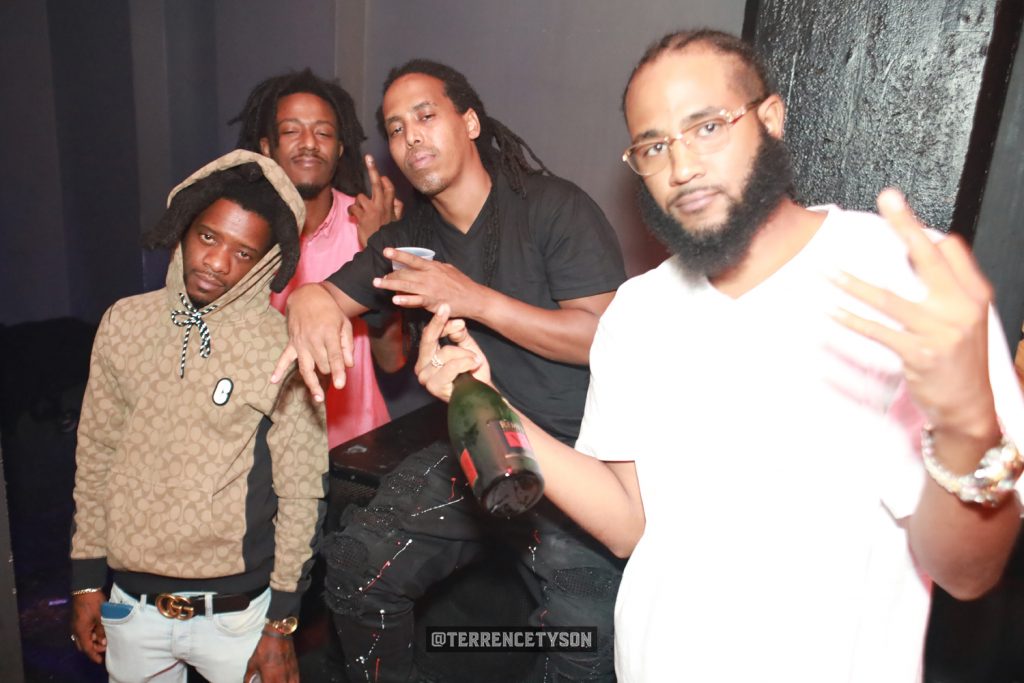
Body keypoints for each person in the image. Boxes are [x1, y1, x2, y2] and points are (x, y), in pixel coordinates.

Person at [413, 30, 1024, 683]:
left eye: (706, 127)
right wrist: (493, 405)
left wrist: (967, 428)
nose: (681, 167)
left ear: (771, 118)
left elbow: (968, 573)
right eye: (654, 146)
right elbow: (629, 522)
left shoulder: (900, 276)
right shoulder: (637, 312)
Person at [272, 60, 628, 681]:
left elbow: (600, 337)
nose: (410, 136)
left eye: (426, 116)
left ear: (469, 122)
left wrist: (475, 299)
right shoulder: (410, 238)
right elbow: (329, 295)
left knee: (584, 647)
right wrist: (307, 298)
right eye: (395, 128)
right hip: (474, 447)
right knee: (356, 567)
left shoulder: (552, 207)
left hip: (573, 461)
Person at [69, 150, 328, 683]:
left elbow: (301, 491)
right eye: (209, 237)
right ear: (184, 228)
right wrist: (86, 580)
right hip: (130, 608)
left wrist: (282, 622)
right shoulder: (124, 323)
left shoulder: (282, 345)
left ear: (267, 262)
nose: (217, 262)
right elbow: (95, 456)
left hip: (238, 619)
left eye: (243, 252)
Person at [232, 68, 403, 448]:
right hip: (263, 452)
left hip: (357, 447)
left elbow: (392, 359)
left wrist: (380, 253)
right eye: (292, 131)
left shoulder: (365, 223)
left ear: (339, 149)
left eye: (323, 133)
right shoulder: (241, 230)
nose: (309, 143)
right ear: (267, 147)